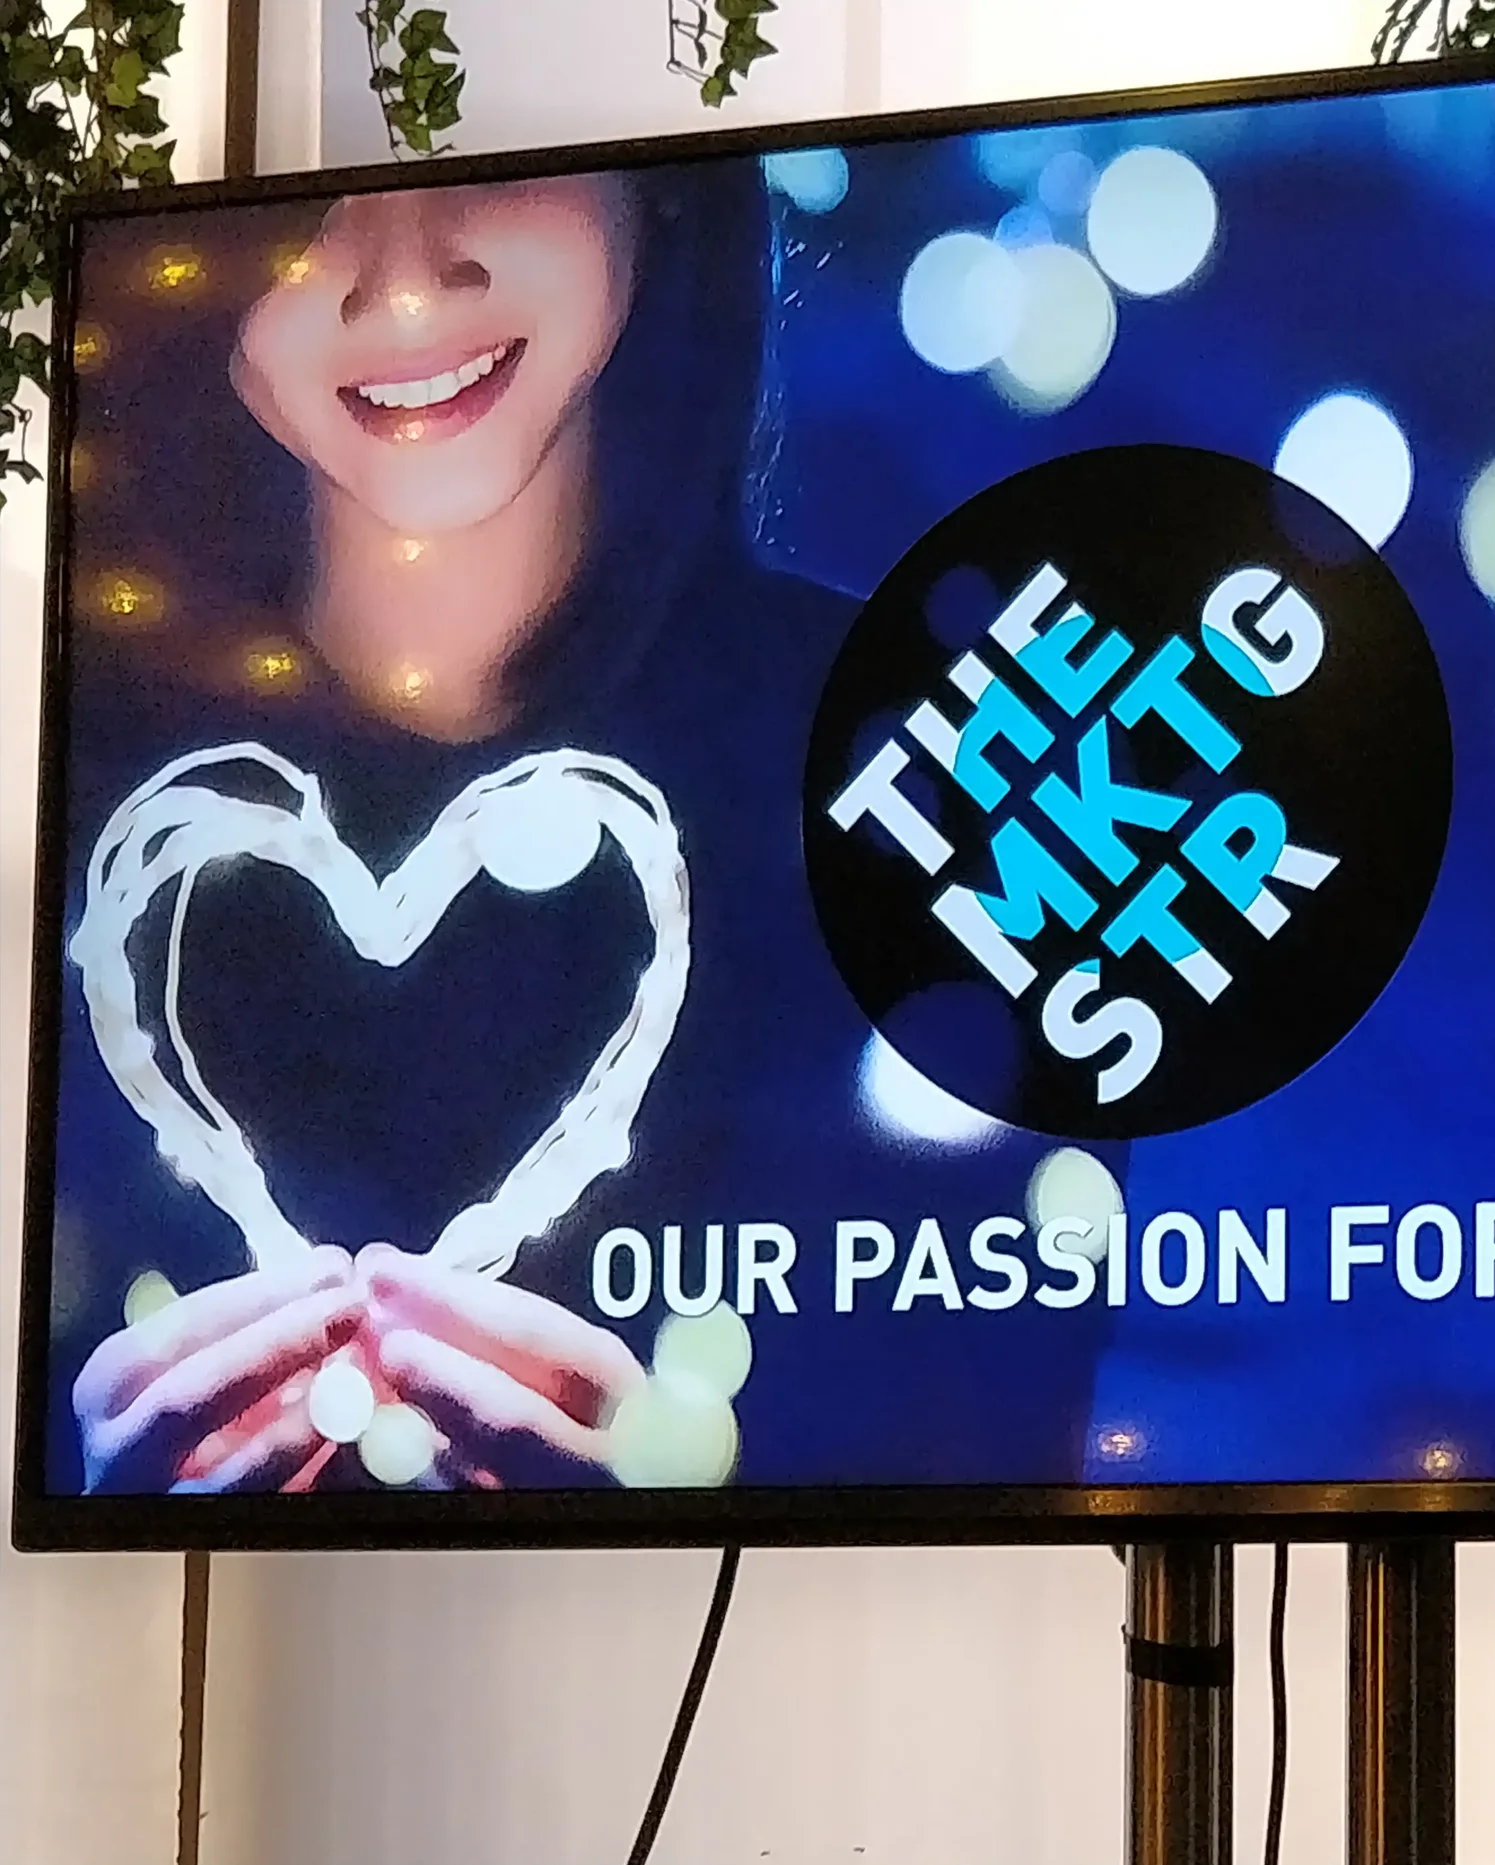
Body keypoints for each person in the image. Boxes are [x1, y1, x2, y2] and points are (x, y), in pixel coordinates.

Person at [54, 162, 1104, 1495]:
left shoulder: (944, 769)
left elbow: (1021, 1438)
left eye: (487, 177)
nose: (407, 275)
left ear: (659, 195)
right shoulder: (74, 784)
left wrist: (721, 1494)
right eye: (311, 214)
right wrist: (93, 1496)